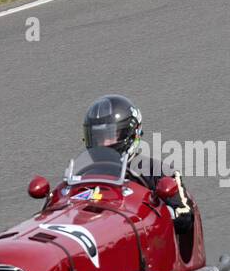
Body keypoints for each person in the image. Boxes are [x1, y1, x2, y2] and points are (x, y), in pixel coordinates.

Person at [80, 95, 195, 244]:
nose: (101, 143)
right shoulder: (85, 174)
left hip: (147, 247)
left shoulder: (157, 171)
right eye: (96, 137)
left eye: (108, 136)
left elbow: (185, 215)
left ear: (131, 134)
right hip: (99, 239)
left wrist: (153, 216)